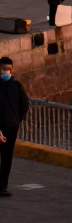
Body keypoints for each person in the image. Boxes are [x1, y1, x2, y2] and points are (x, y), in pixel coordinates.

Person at [0, 57, 29, 196]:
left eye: (8, 69)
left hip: (11, 126)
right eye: (3, 69)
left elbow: (25, 103)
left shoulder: (17, 85)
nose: (6, 72)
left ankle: (3, 186)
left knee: (7, 157)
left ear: (12, 70)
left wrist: (18, 119)